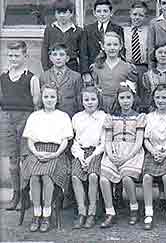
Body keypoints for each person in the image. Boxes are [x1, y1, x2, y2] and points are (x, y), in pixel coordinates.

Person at [20, 84, 73, 232]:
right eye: (46, 97)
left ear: (57, 99)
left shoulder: (62, 116)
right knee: (34, 176)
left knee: (47, 176)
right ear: (41, 98)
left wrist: (56, 154)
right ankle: (37, 213)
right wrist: (36, 153)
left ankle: (47, 214)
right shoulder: (34, 116)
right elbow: (30, 140)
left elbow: (65, 141)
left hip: (57, 153)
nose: (49, 100)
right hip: (37, 152)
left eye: (52, 97)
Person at [0, 41, 40, 210]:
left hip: (26, 119)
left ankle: (25, 195)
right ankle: (15, 195)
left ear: (25, 56)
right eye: (10, 55)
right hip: (7, 119)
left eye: (17, 55)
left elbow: (37, 103)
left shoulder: (32, 78)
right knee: (13, 160)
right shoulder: (2, 77)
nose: (13, 58)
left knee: (25, 158)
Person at [99, 84, 146, 228]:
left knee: (126, 178)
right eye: (122, 98)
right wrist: (111, 154)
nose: (125, 101)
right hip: (113, 150)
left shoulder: (139, 117)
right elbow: (107, 139)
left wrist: (127, 157)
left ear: (133, 98)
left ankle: (134, 208)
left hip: (132, 151)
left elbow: (139, 142)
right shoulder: (111, 117)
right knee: (104, 179)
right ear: (118, 99)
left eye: (128, 97)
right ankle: (110, 212)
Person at [142, 84, 166, 230]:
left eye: (164, 97)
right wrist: (153, 152)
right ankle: (148, 212)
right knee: (147, 177)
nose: (161, 100)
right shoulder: (149, 117)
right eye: (157, 97)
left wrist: (165, 153)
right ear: (153, 98)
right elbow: (145, 139)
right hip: (153, 151)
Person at [70, 87, 106, 229]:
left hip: (96, 152)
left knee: (92, 175)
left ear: (98, 100)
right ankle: (81, 212)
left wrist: (91, 157)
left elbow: (104, 142)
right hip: (80, 153)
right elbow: (75, 142)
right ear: (82, 101)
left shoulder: (103, 117)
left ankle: (92, 211)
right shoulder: (77, 118)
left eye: (93, 99)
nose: (90, 102)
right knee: (75, 176)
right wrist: (80, 157)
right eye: (86, 100)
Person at [91, 32, 137, 112]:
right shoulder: (96, 67)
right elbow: (95, 87)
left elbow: (132, 91)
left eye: (115, 44)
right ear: (102, 46)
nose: (112, 48)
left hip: (121, 105)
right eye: (108, 45)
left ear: (120, 46)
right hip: (102, 106)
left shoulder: (128, 67)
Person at [41, 0, 87, 74]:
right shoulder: (49, 29)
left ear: (71, 13)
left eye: (65, 12)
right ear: (55, 14)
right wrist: (46, 70)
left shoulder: (79, 31)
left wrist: (84, 72)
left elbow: (83, 54)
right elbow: (45, 51)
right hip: (53, 67)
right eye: (59, 13)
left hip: (72, 67)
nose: (62, 15)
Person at [83, 0, 124, 84]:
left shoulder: (117, 29)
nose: (102, 14)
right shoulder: (88, 29)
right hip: (92, 68)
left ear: (111, 13)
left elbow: (122, 50)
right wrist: (85, 72)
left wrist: (120, 69)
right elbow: (84, 52)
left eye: (105, 11)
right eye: (99, 11)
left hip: (111, 68)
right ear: (94, 13)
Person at [39, 43, 82, 117]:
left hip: (70, 114)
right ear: (50, 58)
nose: (58, 58)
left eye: (62, 55)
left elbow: (79, 99)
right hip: (50, 115)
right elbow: (41, 99)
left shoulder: (76, 77)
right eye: (55, 55)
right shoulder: (44, 76)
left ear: (67, 58)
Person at [123, 1, 151, 113]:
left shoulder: (149, 31)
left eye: (141, 15)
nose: (137, 17)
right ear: (130, 14)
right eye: (135, 14)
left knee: (144, 96)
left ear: (145, 17)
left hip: (144, 67)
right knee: (129, 94)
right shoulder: (124, 31)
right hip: (128, 67)